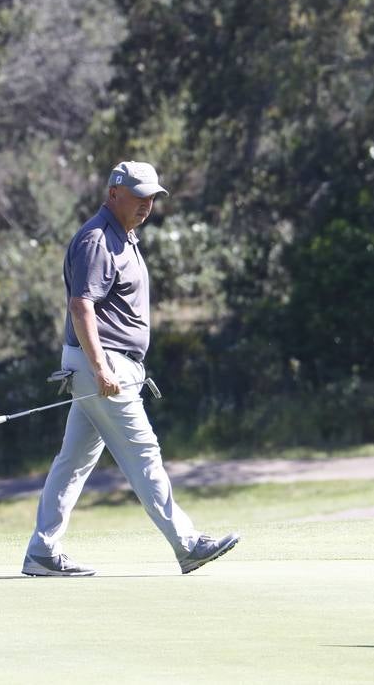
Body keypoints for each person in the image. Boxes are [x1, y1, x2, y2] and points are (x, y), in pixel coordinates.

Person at [22, 161, 240, 577]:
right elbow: (81, 305)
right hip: (103, 365)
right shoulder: (97, 240)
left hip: (106, 364)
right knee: (143, 453)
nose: (146, 204)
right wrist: (101, 367)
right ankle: (187, 543)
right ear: (113, 193)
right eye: (139, 196)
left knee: (73, 462)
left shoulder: (125, 236)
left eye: (152, 197)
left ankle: (42, 551)